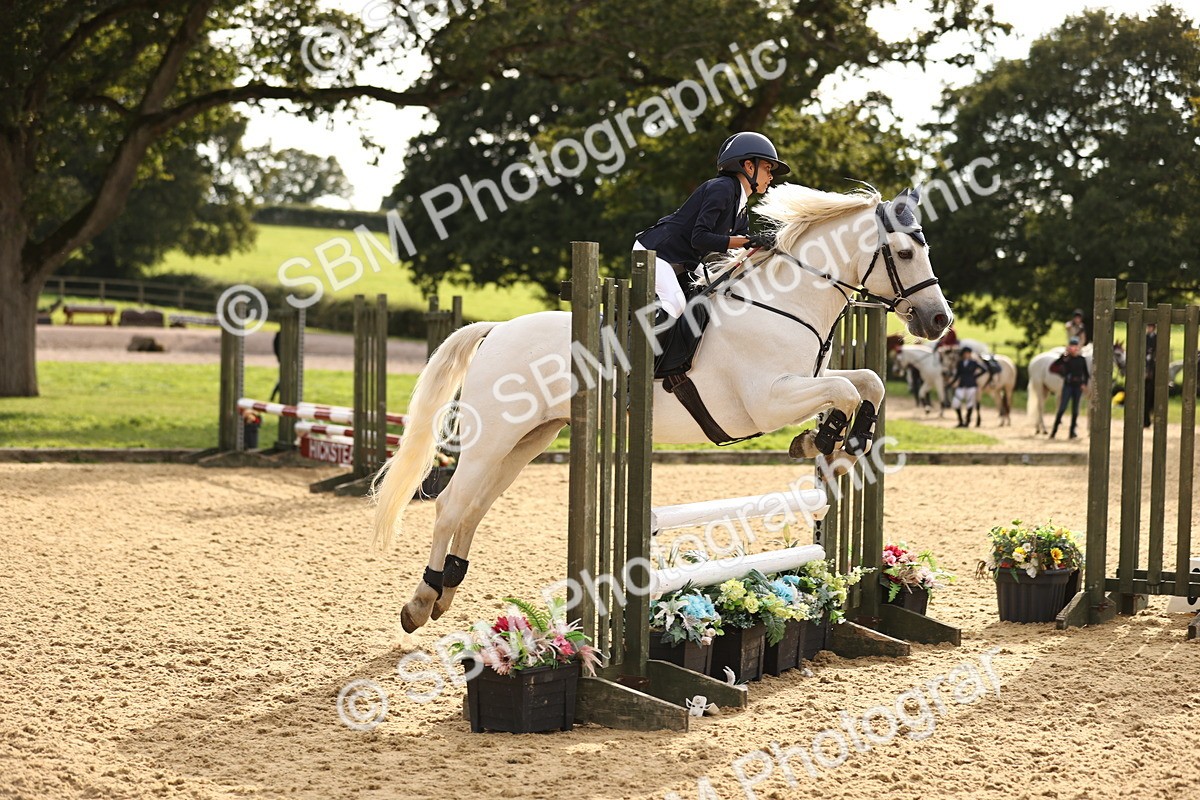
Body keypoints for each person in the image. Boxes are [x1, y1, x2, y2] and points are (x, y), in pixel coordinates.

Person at [634, 132, 789, 322]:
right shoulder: (722, 188)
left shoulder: (741, 207)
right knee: (676, 304)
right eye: (767, 168)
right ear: (749, 166)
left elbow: (740, 250)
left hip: (684, 260)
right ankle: (635, 339)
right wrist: (748, 241)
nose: (771, 176)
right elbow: (699, 238)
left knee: (720, 292)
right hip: (656, 252)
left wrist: (771, 245)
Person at [1050, 338, 1089, 439]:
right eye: (1071, 346)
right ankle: (1054, 431)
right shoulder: (1066, 359)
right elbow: (1053, 367)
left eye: (1075, 346)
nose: (1073, 348)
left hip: (1078, 386)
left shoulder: (1081, 359)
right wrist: (1063, 356)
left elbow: (1086, 374)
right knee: (1062, 408)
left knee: (1075, 410)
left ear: (1078, 347)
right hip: (1068, 385)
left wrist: (1084, 384)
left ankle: (1072, 432)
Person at [951, 346, 987, 427]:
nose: (967, 355)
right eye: (965, 353)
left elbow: (984, 369)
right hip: (961, 385)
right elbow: (957, 375)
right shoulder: (960, 363)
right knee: (956, 403)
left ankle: (967, 421)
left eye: (968, 353)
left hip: (971, 385)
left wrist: (975, 376)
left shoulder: (973, 362)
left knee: (969, 404)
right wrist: (951, 383)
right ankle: (960, 420)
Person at [1144, 321, 1157, 428]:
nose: (1149, 328)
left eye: (1150, 327)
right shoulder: (1145, 337)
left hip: (1154, 364)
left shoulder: (1157, 338)